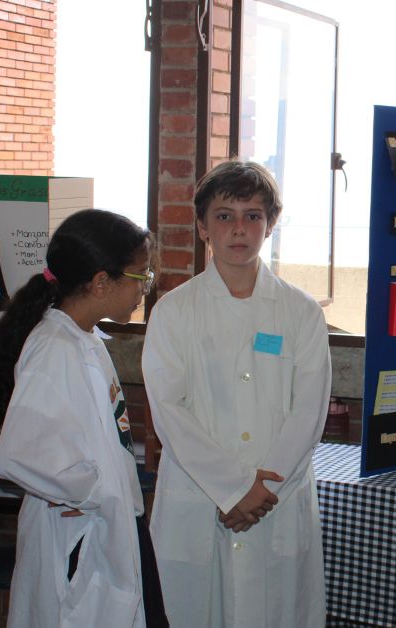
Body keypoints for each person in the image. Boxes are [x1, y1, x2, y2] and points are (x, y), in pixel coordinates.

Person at [142, 160, 331, 627]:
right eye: (224, 216)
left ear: (270, 224)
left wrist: (261, 490)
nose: (239, 229)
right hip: (199, 497)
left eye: (253, 215)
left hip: (275, 501)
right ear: (203, 227)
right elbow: (168, 409)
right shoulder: (174, 311)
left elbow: (309, 410)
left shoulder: (301, 311)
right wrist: (233, 489)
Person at [0, 209, 167, 627]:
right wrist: (89, 494)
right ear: (101, 282)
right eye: (141, 276)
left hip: (111, 521)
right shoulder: (54, 348)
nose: (145, 288)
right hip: (82, 533)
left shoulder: (83, 338)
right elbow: (20, 454)